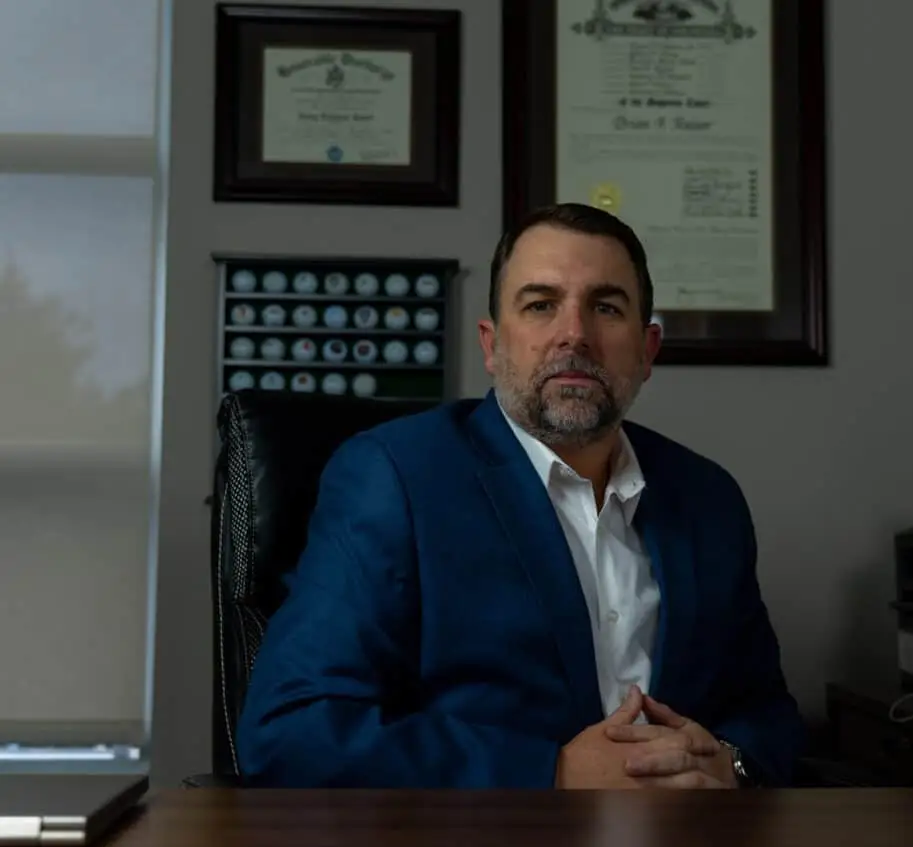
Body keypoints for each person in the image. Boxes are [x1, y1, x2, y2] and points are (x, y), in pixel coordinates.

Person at [236, 202, 805, 789]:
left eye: (606, 307)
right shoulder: (395, 478)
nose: (575, 335)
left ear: (647, 350)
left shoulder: (707, 497)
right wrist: (554, 773)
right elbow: (292, 730)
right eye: (540, 305)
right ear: (492, 344)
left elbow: (767, 713)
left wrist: (730, 762)